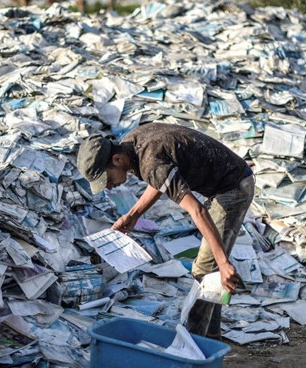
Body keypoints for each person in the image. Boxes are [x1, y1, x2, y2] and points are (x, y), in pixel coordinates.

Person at [76, 122, 255, 339]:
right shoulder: (132, 144)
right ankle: (212, 334)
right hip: (222, 183)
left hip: (233, 187)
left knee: (204, 271)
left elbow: (196, 210)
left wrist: (224, 262)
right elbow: (160, 181)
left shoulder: (149, 161)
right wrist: (133, 215)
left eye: (107, 179)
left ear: (116, 160)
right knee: (210, 268)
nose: (108, 186)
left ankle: (193, 345)